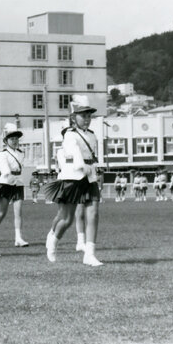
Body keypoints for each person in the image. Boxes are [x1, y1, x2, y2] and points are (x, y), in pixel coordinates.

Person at [44, 96, 103, 266]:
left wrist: (94, 171)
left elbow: (91, 156)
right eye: (83, 116)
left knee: (93, 213)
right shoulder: (69, 135)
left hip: (89, 178)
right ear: (73, 118)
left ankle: (89, 254)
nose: (87, 119)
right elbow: (75, 152)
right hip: (73, 178)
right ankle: (53, 242)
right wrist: (81, 165)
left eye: (89, 116)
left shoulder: (92, 135)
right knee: (67, 219)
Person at [0, 122, 29, 247]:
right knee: (2, 213)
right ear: (6, 140)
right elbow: (5, 171)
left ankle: (18, 238)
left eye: (16, 139)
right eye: (11, 139)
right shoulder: (2, 154)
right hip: (6, 183)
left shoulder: (21, 153)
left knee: (18, 212)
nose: (14, 141)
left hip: (18, 183)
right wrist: (9, 176)